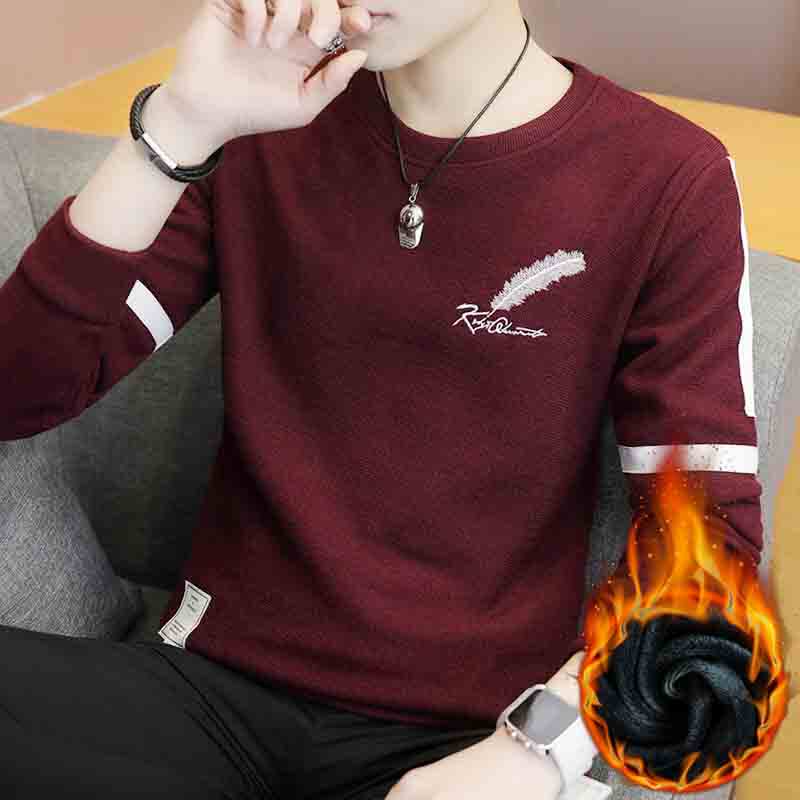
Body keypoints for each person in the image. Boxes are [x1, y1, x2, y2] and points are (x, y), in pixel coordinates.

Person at [0, 0, 762, 797]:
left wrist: (537, 747)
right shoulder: (263, 117)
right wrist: (183, 122)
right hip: (208, 697)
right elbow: (22, 394)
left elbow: (709, 541)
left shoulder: (667, 176)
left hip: (463, 741)